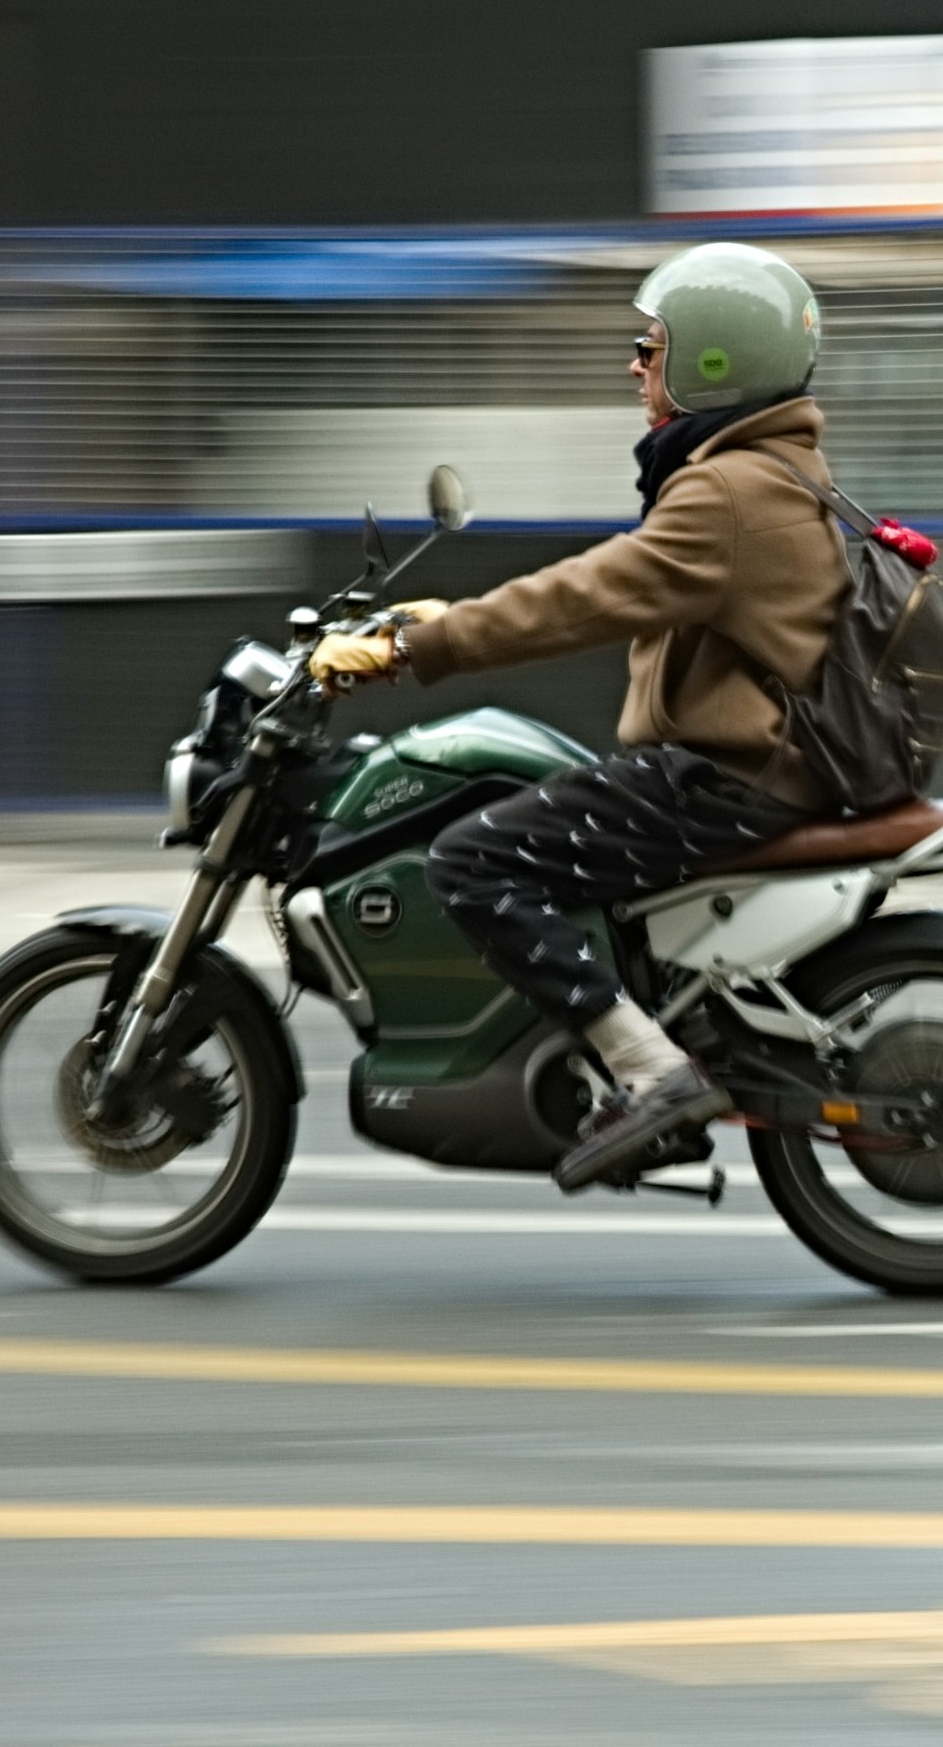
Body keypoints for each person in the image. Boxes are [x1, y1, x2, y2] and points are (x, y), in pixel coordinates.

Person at [305, 242, 844, 1191]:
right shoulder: (761, 473)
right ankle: (630, 1035)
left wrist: (415, 649)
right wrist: (446, 618)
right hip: (767, 765)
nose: (636, 364)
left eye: (653, 345)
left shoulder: (726, 489)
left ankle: (651, 1072)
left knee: (472, 859)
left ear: (712, 359)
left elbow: (587, 597)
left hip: (725, 779)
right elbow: (618, 578)